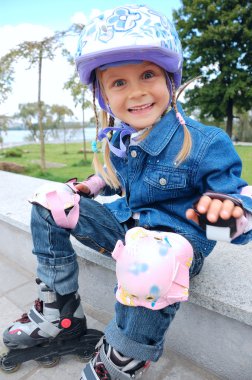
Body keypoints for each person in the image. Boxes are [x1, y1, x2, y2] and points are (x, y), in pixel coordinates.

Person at [2, 4, 252, 380]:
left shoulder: (205, 142)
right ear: (103, 95)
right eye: (119, 82)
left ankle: (123, 357)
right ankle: (60, 313)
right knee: (51, 201)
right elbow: (114, 176)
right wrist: (89, 186)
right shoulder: (123, 139)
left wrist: (226, 215)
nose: (136, 92)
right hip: (126, 229)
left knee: (149, 260)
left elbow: (238, 209)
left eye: (147, 74)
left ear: (169, 78)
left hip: (174, 248)